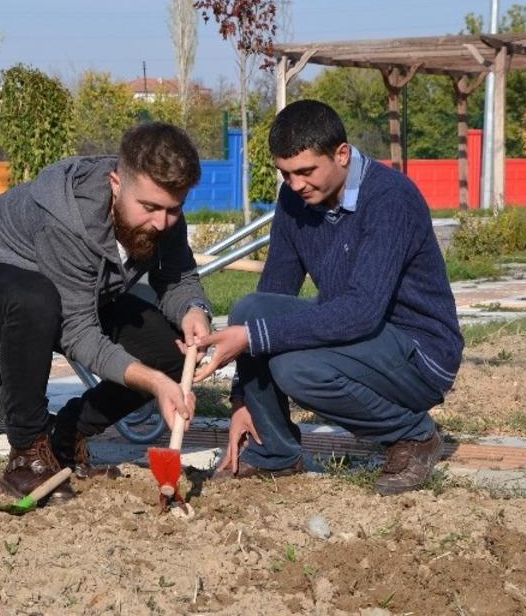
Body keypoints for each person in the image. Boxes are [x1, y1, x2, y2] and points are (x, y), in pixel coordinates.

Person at [195, 100, 462, 495]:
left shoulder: (389, 199)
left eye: (306, 171)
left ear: (342, 154)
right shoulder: (294, 201)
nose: (296, 184)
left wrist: (252, 339)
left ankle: (414, 436)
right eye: (286, 174)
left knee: (294, 367)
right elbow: (274, 293)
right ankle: (275, 453)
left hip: (418, 354)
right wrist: (242, 400)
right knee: (250, 308)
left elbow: (361, 311)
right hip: (361, 341)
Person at [0, 122, 211, 502]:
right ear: (117, 183)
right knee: (34, 298)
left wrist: (193, 311)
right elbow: (79, 333)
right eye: (149, 208)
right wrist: (155, 385)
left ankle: (66, 436)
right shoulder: (67, 221)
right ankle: (26, 456)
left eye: (173, 210)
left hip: (72, 295)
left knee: (167, 353)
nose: (161, 222)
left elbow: (178, 277)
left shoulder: (163, 218)